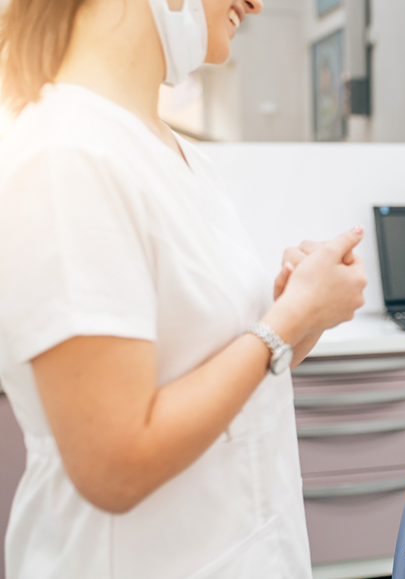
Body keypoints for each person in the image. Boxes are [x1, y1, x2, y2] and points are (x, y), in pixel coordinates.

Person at [0, 0, 367, 577]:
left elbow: (231, 367)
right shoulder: (64, 156)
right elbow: (115, 465)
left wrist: (307, 309)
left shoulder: (177, 155)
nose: (258, 4)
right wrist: (287, 320)